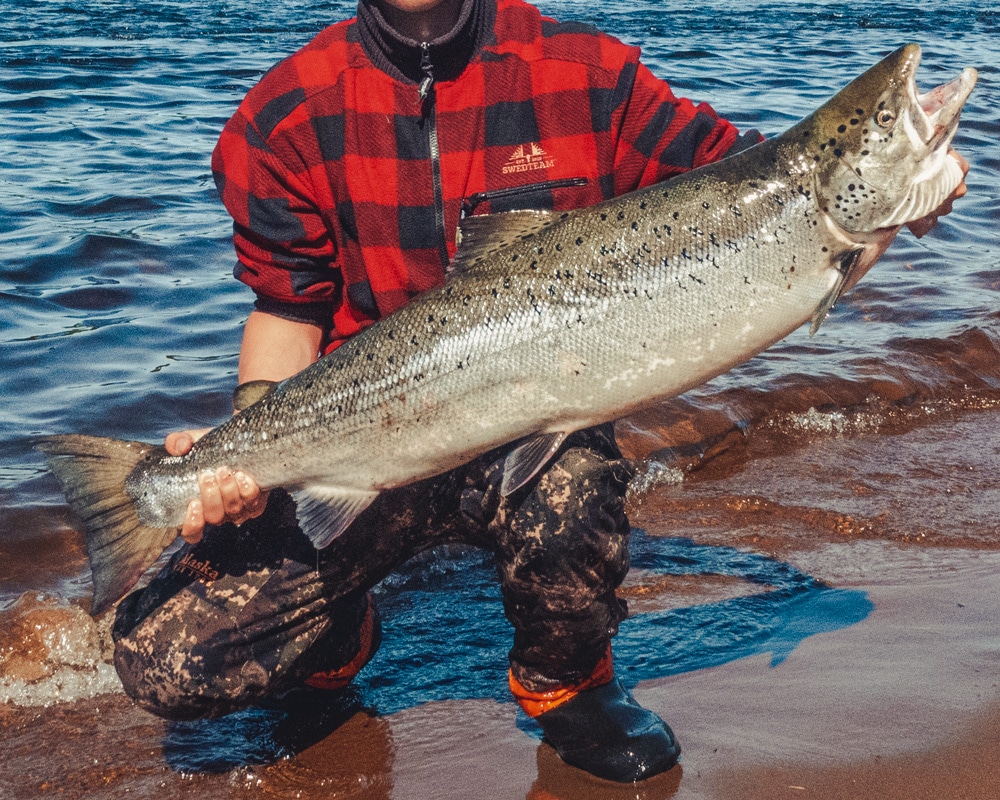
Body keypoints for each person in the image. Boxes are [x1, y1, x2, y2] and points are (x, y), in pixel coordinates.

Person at [110, 0, 968, 783]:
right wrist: (239, 455)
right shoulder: (284, 113)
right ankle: (341, 636)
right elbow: (285, 309)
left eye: (885, 125)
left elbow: (751, 176)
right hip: (367, 432)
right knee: (165, 658)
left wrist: (908, 193)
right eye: (888, 125)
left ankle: (566, 685)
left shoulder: (587, 74)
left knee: (578, 486)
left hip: (533, 435)